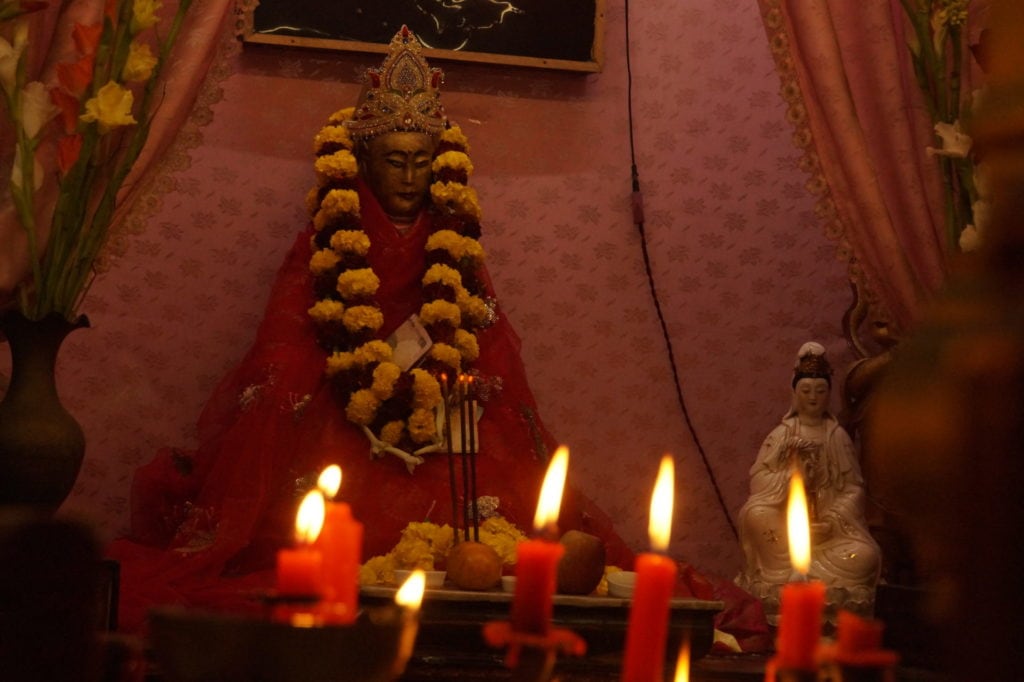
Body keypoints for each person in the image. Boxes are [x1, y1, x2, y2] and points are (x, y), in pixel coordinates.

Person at [106, 28, 767, 648]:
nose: (408, 176)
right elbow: (283, 342)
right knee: (289, 423)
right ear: (363, 159)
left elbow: (484, 333)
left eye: (421, 161)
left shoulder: (452, 240)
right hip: (339, 409)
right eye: (393, 160)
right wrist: (335, 380)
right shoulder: (328, 238)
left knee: (497, 489)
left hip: (443, 410)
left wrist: (466, 383)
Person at [735, 342, 881, 623]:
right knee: (755, 514)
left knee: (865, 556)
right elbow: (759, 480)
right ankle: (786, 575)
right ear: (794, 393)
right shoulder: (781, 435)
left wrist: (832, 520)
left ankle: (803, 581)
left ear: (828, 395)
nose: (813, 398)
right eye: (806, 391)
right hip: (785, 534)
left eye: (820, 391)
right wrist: (790, 478)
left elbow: (853, 487)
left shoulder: (837, 437)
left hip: (830, 535)